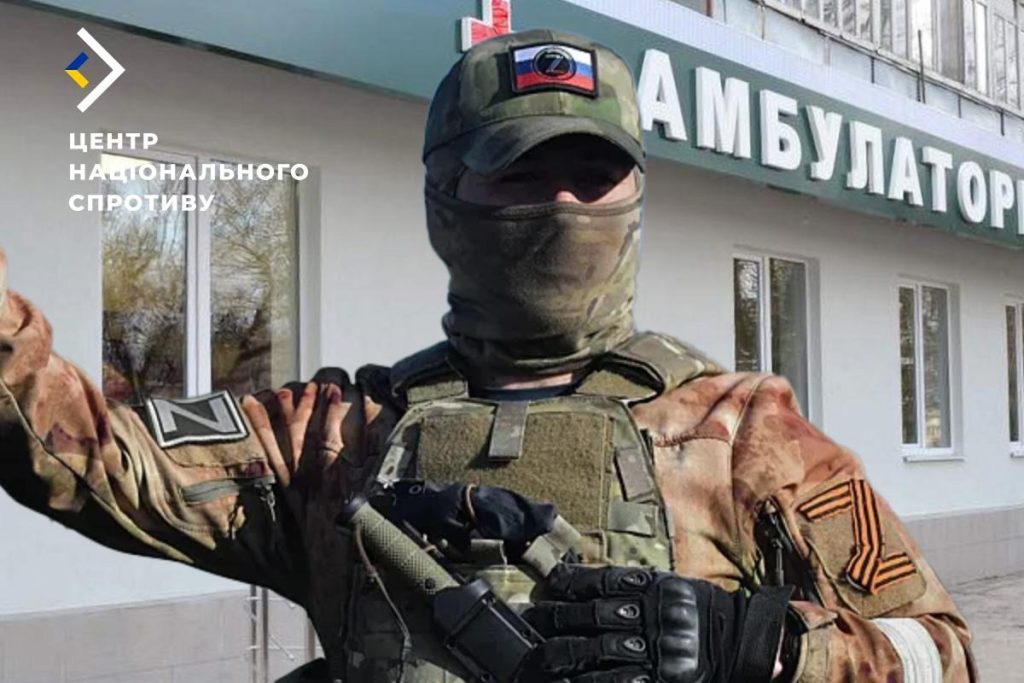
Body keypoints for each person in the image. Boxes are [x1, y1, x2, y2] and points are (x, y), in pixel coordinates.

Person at [0, 28, 974, 683]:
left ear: (633, 197)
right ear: (445, 199)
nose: (563, 202)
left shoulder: (744, 434)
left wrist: (755, 644)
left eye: (592, 173)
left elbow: (943, 652)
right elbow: (79, 453)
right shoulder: (337, 437)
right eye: (521, 170)